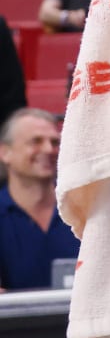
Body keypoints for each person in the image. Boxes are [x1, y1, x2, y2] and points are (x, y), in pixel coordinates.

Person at [0, 110, 79, 290]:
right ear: (5, 152)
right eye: (36, 141)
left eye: (54, 142)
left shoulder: (84, 207)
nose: (48, 149)